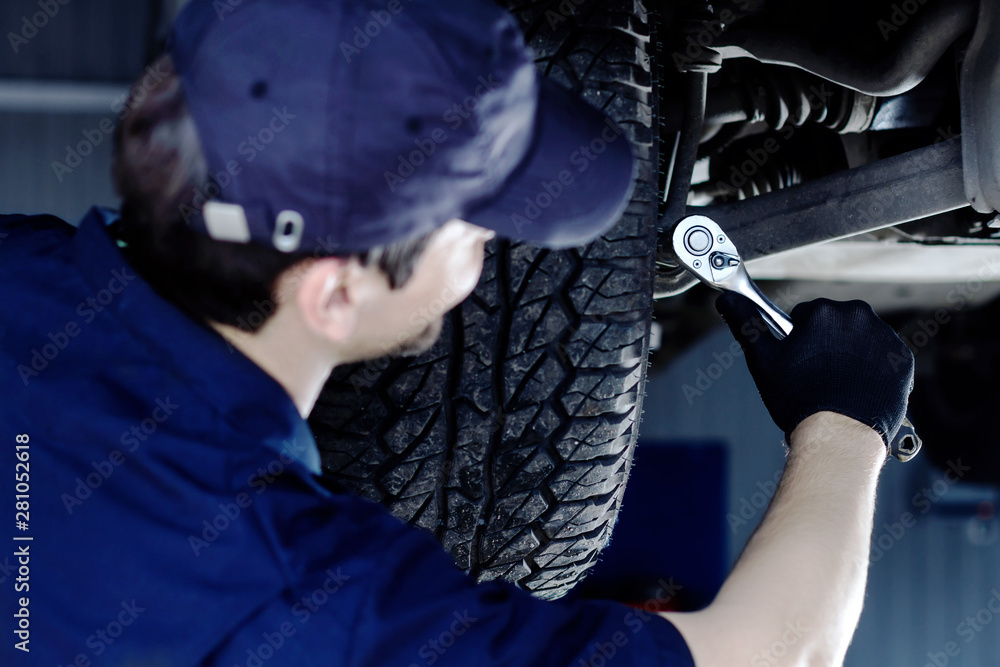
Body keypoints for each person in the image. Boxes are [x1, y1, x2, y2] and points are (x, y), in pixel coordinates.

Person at [0, 0, 914, 665]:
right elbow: (768, 655)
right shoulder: (299, 599)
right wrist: (847, 422)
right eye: (478, 226)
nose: (495, 247)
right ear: (333, 293)